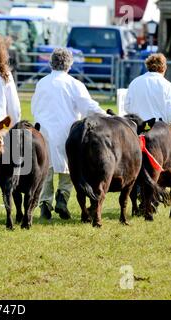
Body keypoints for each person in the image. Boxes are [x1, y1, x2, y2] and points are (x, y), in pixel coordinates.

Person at [31, 48, 105, 220]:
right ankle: (62, 199)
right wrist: (107, 115)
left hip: (44, 131)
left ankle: (45, 204)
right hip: (67, 131)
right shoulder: (74, 84)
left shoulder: (41, 83)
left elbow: (34, 108)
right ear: (69, 65)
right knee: (69, 167)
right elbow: (88, 107)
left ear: (51, 63)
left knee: (46, 170)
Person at [124, 53, 171, 123]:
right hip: (159, 129)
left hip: (137, 128)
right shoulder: (168, 86)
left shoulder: (134, 82)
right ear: (164, 68)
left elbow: (127, 107)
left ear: (148, 66)